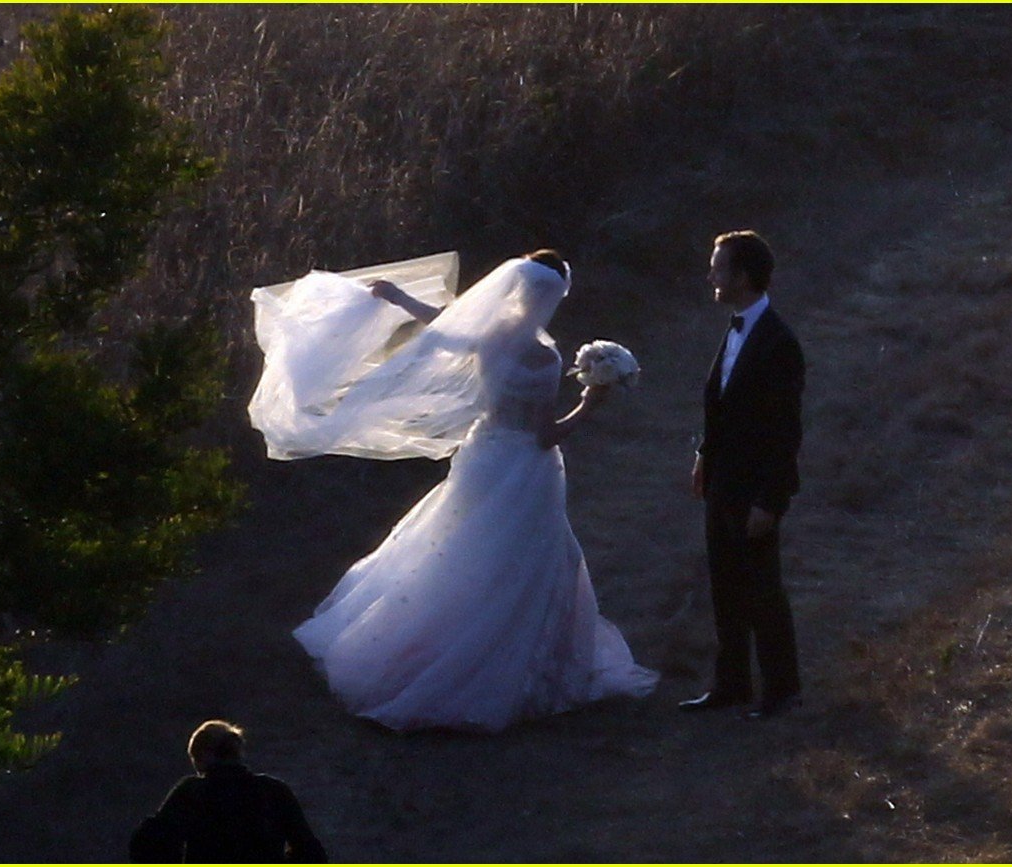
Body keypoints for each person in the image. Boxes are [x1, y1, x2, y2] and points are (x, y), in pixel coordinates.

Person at [256, 250, 657, 732]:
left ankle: (428, 650)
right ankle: (510, 665)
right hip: (525, 469)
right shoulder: (544, 359)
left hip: (482, 457)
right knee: (527, 561)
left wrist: (401, 298)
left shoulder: (488, 340)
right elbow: (545, 434)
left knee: (458, 551)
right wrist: (591, 403)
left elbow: (444, 326)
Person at [681, 230, 805, 720]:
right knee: (725, 587)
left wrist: (770, 501)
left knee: (762, 590)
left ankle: (782, 691)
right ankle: (730, 684)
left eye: (718, 267)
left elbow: (784, 432)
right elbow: (723, 408)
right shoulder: (738, 330)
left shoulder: (778, 343)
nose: (710, 275)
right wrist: (703, 457)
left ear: (744, 276)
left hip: (753, 490)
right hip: (722, 483)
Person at [129, 720, 326, 863]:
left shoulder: (191, 793)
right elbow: (310, 853)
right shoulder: (274, 792)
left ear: (203, 756)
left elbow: (149, 847)